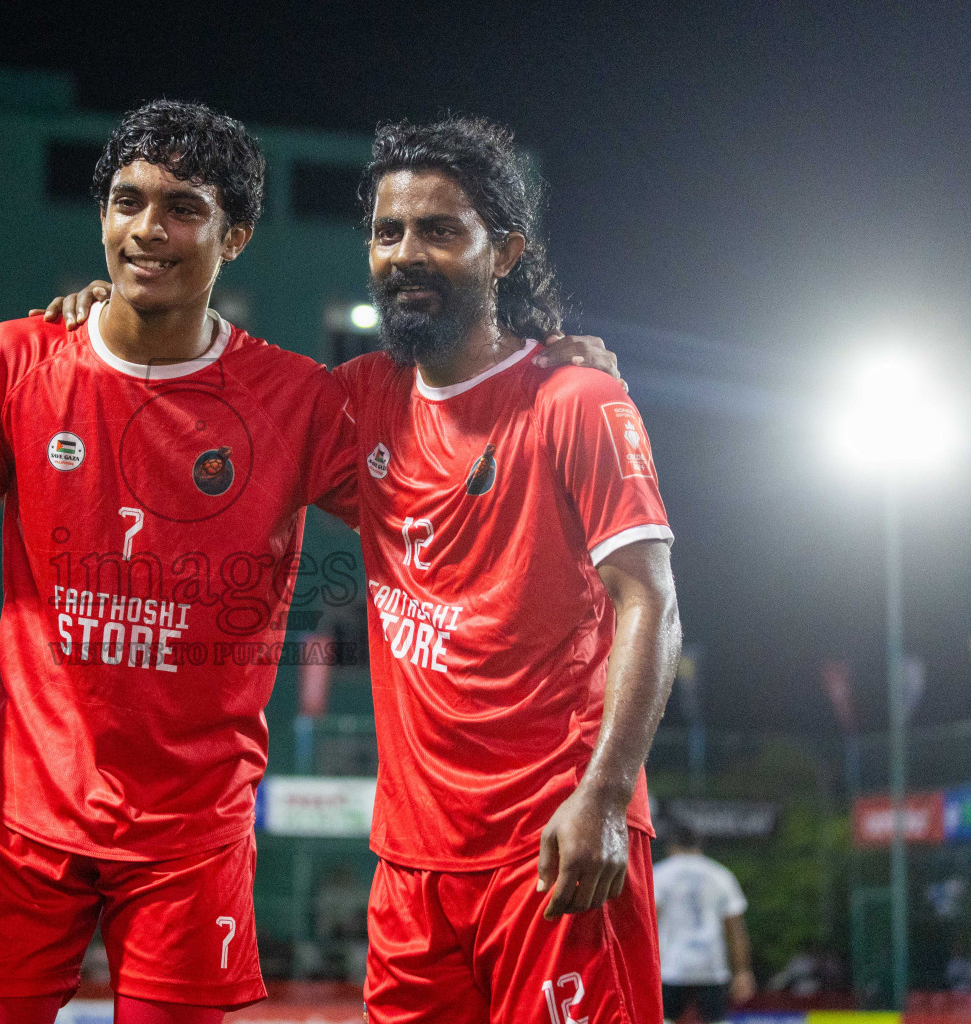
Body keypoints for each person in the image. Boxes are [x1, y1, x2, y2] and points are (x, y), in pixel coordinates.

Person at [0, 99, 621, 1024]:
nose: (150, 229)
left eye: (184, 208)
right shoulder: (16, 358)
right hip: (21, 810)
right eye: (128, 201)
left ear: (237, 236)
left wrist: (543, 371)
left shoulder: (301, 401)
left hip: (191, 836)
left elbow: (446, 456)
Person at [332, 116, 681, 1024]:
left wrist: (606, 797)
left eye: (441, 231)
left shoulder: (576, 399)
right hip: (412, 867)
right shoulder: (359, 402)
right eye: (388, 231)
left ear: (504, 252)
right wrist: (106, 308)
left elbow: (651, 600)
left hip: (559, 840)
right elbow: (205, 390)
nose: (407, 252)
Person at [654, 822, 755, 1023]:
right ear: (700, 845)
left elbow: (649, 925)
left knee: (662, 1019)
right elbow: (735, 929)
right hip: (711, 965)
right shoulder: (721, 875)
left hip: (671, 965)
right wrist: (742, 971)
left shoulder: (659, 875)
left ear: (671, 846)